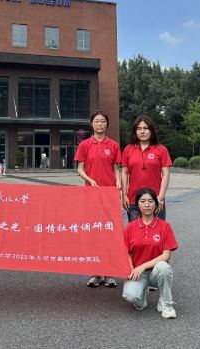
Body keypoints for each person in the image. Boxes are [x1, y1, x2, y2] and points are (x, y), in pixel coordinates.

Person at [74, 110, 122, 288]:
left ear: (107, 124)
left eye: (102, 121)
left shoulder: (114, 145)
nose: (100, 124)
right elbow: (80, 169)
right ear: (91, 124)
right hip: (91, 194)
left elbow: (116, 168)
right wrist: (90, 180)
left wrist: (118, 182)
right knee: (94, 232)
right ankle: (96, 273)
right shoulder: (85, 145)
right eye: (96, 121)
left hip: (109, 195)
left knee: (109, 233)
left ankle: (109, 273)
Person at [121, 188, 178, 319]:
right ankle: (141, 297)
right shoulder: (130, 227)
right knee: (131, 296)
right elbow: (126, 252)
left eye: (150, 201)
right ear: (137, 204)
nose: (147, 204)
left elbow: (166, 255)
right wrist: (131, 269)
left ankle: (166, 303)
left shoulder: (164, 226)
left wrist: (143, 266)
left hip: (155, 272)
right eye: (143, 201)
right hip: (137, 272)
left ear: (156, 205)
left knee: (164, 267)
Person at [122, 115, 172, 222]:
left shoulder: (161, 149)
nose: (142, 131)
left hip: (155, 200)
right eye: (139, 129)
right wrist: (124, 195)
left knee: (157, 231)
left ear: (151, 130)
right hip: (134, 200)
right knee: (135, 231)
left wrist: (160, 197)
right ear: (135, 131)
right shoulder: (128, 149)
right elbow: (124, 173)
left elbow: (166, 174)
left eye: (145, 128)